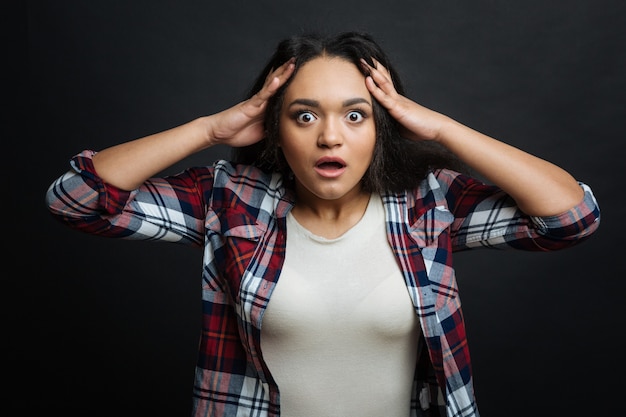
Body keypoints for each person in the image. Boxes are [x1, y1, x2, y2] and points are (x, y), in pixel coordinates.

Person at [45, 31, 600, 417]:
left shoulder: (428, 206)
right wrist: (211, 128)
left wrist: (443, 130)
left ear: (381, 128)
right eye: (304, 115)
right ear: (274, 128)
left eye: (355, 115)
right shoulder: (229, 201)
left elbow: (571, 217)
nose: (329, 137)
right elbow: (76, 201)